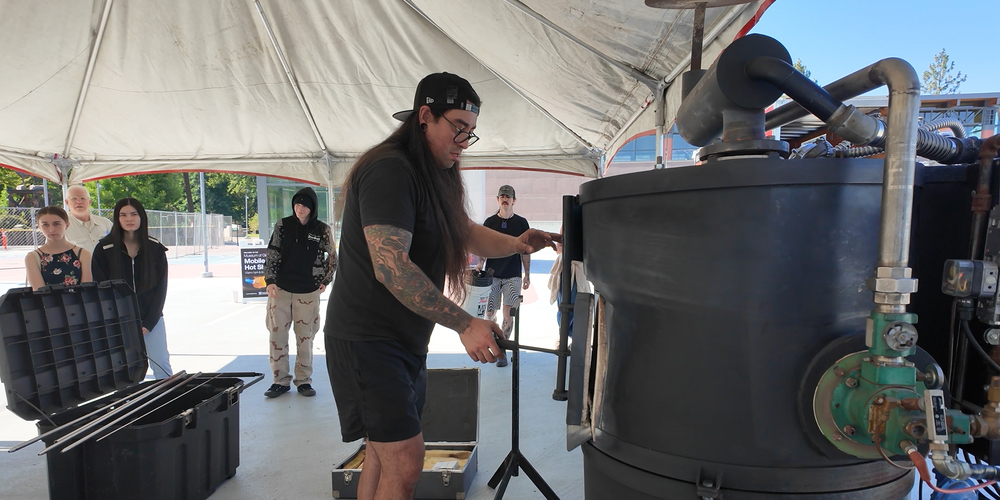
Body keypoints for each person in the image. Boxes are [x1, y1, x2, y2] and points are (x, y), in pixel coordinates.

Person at [324, 72, 559, 499]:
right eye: (457, 128)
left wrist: (517, 242)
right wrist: (465, 323)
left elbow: (465, 230)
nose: (462, 142)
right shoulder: (390, 170)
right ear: (425, 116)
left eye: (470, 133)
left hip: (403, 338)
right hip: (367, 337)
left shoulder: (436, 173)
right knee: (406, 458)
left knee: (381, 453)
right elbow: (392, 267)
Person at [262, 187, 336, 398]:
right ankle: (280, 380)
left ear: (311, 208)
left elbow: (332, 257)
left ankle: (303, 380)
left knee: (305, 338)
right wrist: (270, 280)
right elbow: (272, 253)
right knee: (277, 335)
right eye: (296, 204)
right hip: (281, 290)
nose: (299, 208)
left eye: (303, 205)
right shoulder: (283, 225)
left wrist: (325, 280)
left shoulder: (322, 229)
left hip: (308, 292)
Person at [92, 198, 172, 380]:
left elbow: (161, 289)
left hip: (150, 321)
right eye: (123, 215)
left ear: (142, 217)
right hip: (117, 321)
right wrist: (116, 319)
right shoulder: (104, 249)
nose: (129, 219)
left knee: (162, 366)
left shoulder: (155, 248)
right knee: (123, 370)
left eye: (134, 214)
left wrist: (150, 321)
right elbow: (101, 289)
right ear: (117, 218)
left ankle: (170, 404)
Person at [475, 185, 530, 367]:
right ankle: (493, 345)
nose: (505, 199)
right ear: (498, 199)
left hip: (513, 275)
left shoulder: (522, 223)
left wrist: (527, 274)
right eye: (502, 196)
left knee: (509, 314)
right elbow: (482, 246)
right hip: (493, 275)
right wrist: (479, 265)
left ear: (514, 200)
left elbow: (526, 252)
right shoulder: (490, 222)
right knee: (490, 313)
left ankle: (503, 350)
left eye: (508, 196)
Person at [25, 206, 92, 290]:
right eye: (45, 225)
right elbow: (39, 293)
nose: (51, 229)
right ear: (39, 227)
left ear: (67, 225)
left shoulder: (83, 254)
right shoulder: (33, 257)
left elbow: (86, 290)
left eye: (56, 224)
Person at [63, 184, 113, 253]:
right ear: (67, 202)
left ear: (89, 202)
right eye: (74, 198)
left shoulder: (106, 223)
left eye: (83, 198)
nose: (79, 202)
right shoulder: (62, 228)